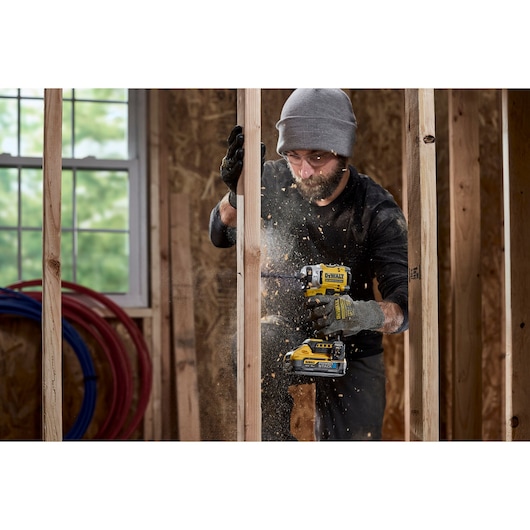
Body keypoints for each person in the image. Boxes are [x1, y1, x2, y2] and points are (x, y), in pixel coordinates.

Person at [209, 89, 408, 441]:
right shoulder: (271, 179)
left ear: (342, 152)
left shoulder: (376, 209)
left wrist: (359, 315)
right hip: (283, 333)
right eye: (294, 156)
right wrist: (235, 193)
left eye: (317, 158)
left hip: (354, 351)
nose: (303, 170)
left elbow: (404, 308)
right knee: (254, 351)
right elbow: (220, 233)